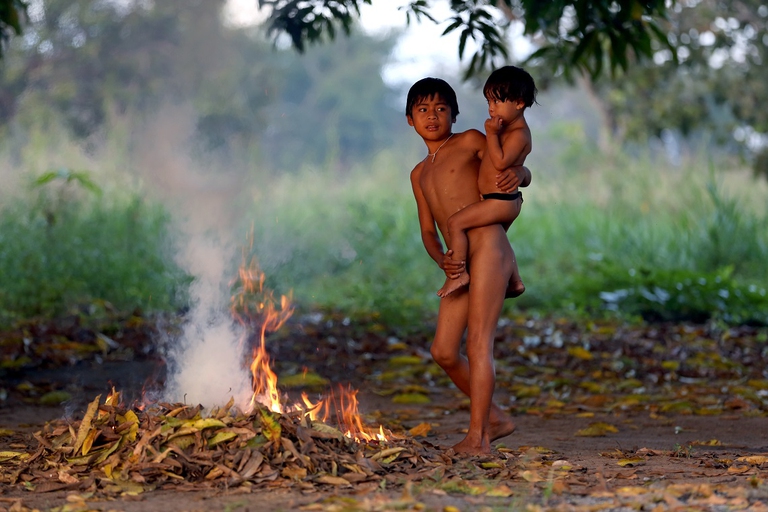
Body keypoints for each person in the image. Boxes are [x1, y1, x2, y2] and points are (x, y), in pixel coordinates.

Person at [406, 77, 531, 455]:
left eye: (441, 109)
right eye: (423, 110)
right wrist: (442, 261)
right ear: (410, 119)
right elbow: (428, 230)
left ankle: (479, 438)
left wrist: (523, 175)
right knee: (444, 351)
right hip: (459, 262)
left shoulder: (470, 140)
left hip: (487, 246)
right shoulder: (418, 173)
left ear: (455, 115)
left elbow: (507, 163)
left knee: (478, 343)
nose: (432, 116)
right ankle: (496, 418)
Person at [437, 66, 536, 298]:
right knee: (498, 238)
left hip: (501, 200)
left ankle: (458, 275)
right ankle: (515, 281)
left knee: (456, 223)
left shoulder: (519, 134)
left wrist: (491, 134)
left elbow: (500, 162)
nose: (491, 108)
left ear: (519, 103)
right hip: (496, 199)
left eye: (497, 102)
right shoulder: (506, 129)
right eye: (489, 102)